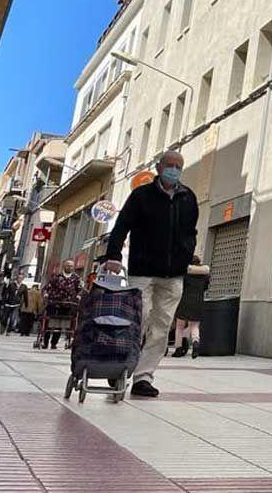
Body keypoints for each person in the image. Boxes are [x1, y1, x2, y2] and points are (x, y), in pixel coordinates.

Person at [104, 150, 198, 398]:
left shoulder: (188, 198)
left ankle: (143, 377)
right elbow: (121, 226)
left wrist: (186, 256)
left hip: (173, 275)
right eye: (170, 165)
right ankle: (121, 370)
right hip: (143, 271)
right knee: (137, 321)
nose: (174, 170)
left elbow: (191, 233)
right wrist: (113, 255)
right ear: (158, 167)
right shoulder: (141, 195)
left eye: (179, 166)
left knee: (161, 327)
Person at [172, 255, 209, 359]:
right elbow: (205, 287)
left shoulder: (185, 274)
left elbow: (179, 287)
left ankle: (178, 349)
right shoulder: (205, 275)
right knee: (195, 326)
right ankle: (196, 343)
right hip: (198, 301)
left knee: (179, 326)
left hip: (184, 301)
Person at [41, 260, 80, 349]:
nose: (69, 267)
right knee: (50, 323)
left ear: (73, 267)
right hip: (54, 303)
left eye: (71, 266)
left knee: (60, 324)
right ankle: (45, 342)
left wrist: (78, 296)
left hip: (67, 304)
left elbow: (80, 289)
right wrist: (46, 294)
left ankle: (54, 343)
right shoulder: (56, 277)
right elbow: (47, 287)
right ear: (64, 266)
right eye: (67, 265)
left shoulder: (76, 278)